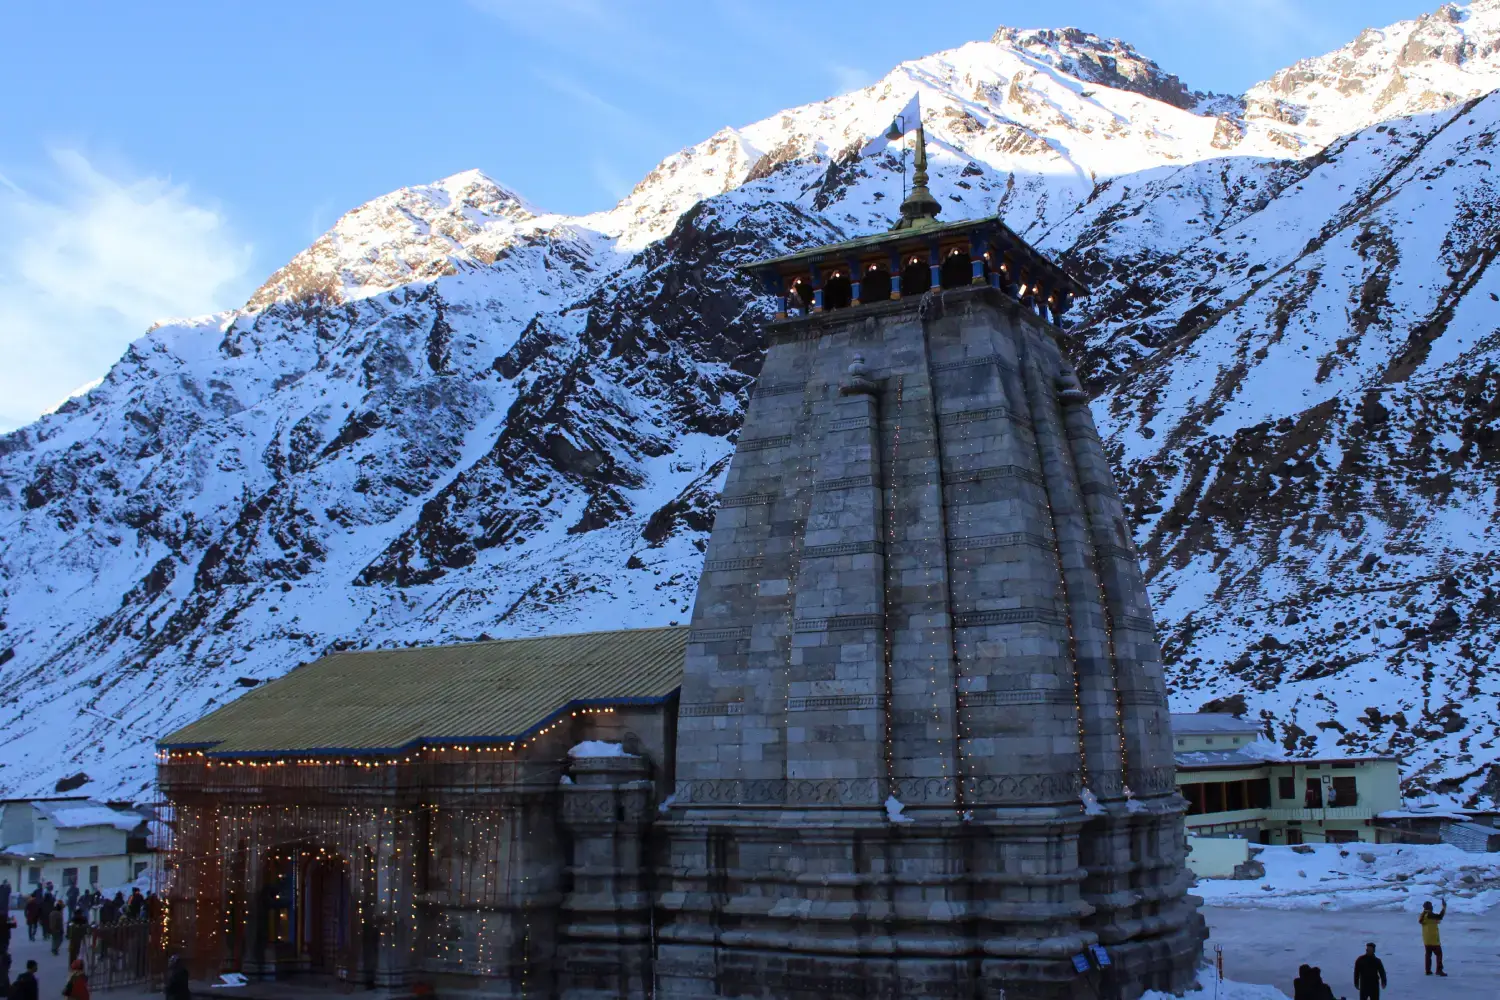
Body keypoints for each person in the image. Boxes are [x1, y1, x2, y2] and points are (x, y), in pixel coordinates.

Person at [1420, 898, 1447, 976]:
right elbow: (1440, 917)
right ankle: (1439, 970)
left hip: (1426, 939)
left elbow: (1435, 921)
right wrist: (1444, 907)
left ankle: (1428, 970)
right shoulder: (1430, 914)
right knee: (1439, 954)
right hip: (1433, 939)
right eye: (1431, 906)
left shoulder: (1423, 915)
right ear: (1429, 907)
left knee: (1428, 955)